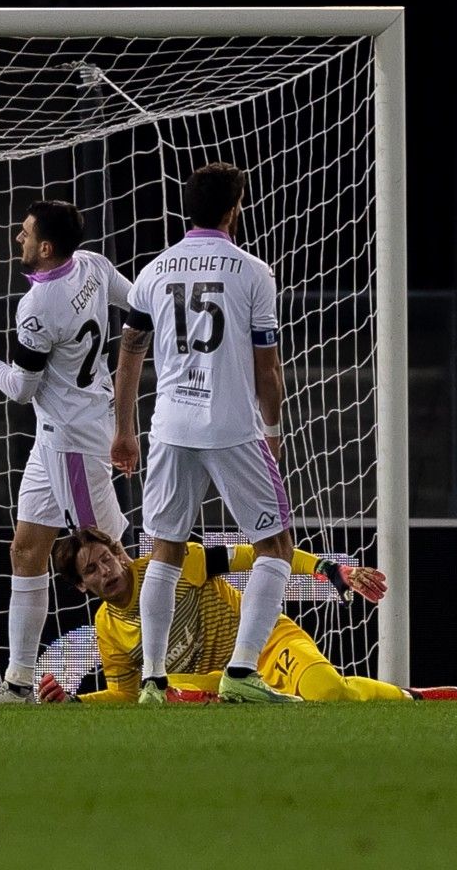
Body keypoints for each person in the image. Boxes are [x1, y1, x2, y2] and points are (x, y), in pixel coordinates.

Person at [113, 162, 301, 704]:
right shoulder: (252, 272)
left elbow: (129, 355)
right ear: (233, 209)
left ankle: (152, 679)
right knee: (275, 545)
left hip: (170, 426)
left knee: (164, 552)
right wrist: (272, 429)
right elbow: (268, 369)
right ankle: (242, 671)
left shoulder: (153, 271)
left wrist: (123, 430)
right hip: (231, 426)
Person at [0, 200, 134, 704]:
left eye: (26, 232)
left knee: (113, 556)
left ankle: (168, 661)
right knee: (26, 551)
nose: (19, 237)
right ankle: (17, 683)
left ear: (46, 247)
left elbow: (20, 389)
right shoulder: (94, 264)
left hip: (74, 443)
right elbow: (141, 305)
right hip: (57, 437)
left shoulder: (36, 310)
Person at [40, 527, 457, 704]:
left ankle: (410, 698)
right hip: (214, 679)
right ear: (82, 587)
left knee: (331, 697)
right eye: (91, 570)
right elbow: (126, 695)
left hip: (265, 643)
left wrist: (329, 569)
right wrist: (76, 701)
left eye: (106, 558)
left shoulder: (172, 564)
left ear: (118, 553)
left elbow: (264, 554)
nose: (106, 571)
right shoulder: (107, 628)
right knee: (164, 697)